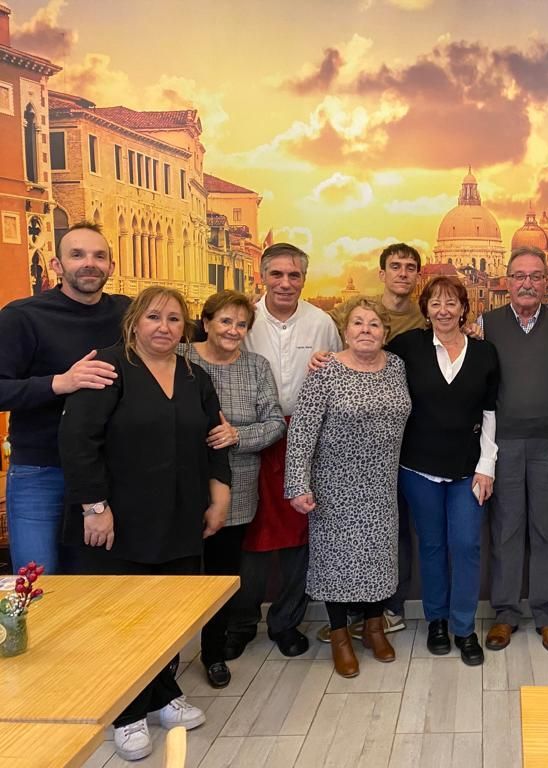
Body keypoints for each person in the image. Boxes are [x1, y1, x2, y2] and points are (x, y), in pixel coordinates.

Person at [58, 286, 230, 761]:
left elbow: (216, 436)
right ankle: (127, 713)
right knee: (121, 621)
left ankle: (161, 694)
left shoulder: (194, 374)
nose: (164, 327)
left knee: (167, 619)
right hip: (118, 520)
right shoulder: (109, 369)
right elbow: (77, 441)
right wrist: (94, 506)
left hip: (179, 516)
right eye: (154, 317)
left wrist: (220, 493)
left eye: (175, 320)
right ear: (135, 321)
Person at [284, 298, 411, 679]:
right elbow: (302, 431)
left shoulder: (397, 367)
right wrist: (297, 484)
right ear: (345, 331)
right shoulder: (326, 370)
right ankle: (340, 635)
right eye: (358, 323)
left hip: (381, 482)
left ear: (385, 333)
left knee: (378, 556)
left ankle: (373, 627)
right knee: (335, 560)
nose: (366, 330)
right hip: (333, 483)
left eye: (374, 324)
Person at [226, 243, 341, 660]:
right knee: (250, 534)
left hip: (305, 441)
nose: (285, 283)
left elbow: (335, 380)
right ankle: (240, 623)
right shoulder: (244, 320)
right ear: (262, 277)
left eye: (294, 275)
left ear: (304, 280)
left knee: (298, 536)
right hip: (249, 442)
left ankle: (286, 622)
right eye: (277, 274)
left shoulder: (322, 323)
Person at [0, 221, 129, 573]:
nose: (89, 263)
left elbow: (189, 339)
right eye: (77, 255)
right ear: (57, 265)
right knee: (36, 582)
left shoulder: (127, 313)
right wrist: (60, 382)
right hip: (41, 471)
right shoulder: (22, 316)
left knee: (95, 587)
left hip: (105, 473)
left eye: (99, 256)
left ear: (111, 267)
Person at [317, 242, 426, 643]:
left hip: (402, 442)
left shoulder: (426, 318)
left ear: (418, 275)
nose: (402, 273)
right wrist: (322, 359)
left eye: (410, 267)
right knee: (344, 534)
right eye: (395, 266)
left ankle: (386, 612)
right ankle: (345, 621)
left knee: (393, 532)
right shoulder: (359, 313)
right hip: (346, 454)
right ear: (381, 273)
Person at [389, 276, 499, 667]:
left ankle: (464, 627)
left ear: (464, 308)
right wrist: (326, 357)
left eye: (451, 302)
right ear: (426, 309)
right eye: (435, 302)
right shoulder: (406, 348)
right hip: (418, 468)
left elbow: (490, 415)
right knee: (432, 547)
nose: (443, 310)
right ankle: (437, 621)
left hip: (468, 470)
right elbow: (364, 362)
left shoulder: (485, 353)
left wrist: (487, 467)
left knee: (466, 546)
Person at [182, 290, 286, 688]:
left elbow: (274, 423)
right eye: (225, 321)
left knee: (223, 574)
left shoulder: (256, 367)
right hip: (181, 483)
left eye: (241, 324)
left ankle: (213, 654)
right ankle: (166, 662)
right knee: (178, 575)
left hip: (238, 485)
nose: (233, 330)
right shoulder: (178, 358)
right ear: (206, 322)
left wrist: (235, 435)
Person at [480, 245, 548, 655]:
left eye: (536, 276)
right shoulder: (486, 324)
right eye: (519, 276)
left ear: (546, 281)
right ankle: (504, 614)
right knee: (506, 531)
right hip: (503, 444)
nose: (527, 283)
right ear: (507, 280)